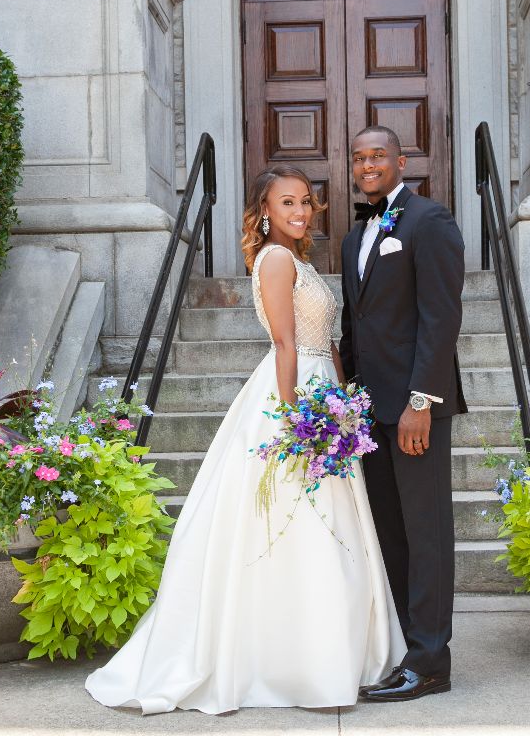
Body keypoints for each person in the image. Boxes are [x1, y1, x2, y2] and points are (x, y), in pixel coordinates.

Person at [85, 165, 405, 715]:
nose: (301, 212)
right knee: (295, 522)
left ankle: (329, 653)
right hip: (294, 394)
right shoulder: (277, 260)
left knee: (329, 520)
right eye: (287, 203)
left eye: (305, 201)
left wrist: (346, 402)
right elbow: (285, 343)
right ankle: (294, 662)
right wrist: (291, 419)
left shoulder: (301, 259)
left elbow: (325, 341)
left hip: (323, 391)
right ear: (264, 213)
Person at [340, 125, 466, 703]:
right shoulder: (354, 236)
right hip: (370, 411)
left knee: (427, 533)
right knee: (391, 532)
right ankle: (405, 647)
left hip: (416, 408)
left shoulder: (428, 221)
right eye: (359, 158)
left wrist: (423, 401)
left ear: (401, 161)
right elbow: (357, 324)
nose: (368, 165)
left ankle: (431, 662)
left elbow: (441, 320)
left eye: (378, 156)